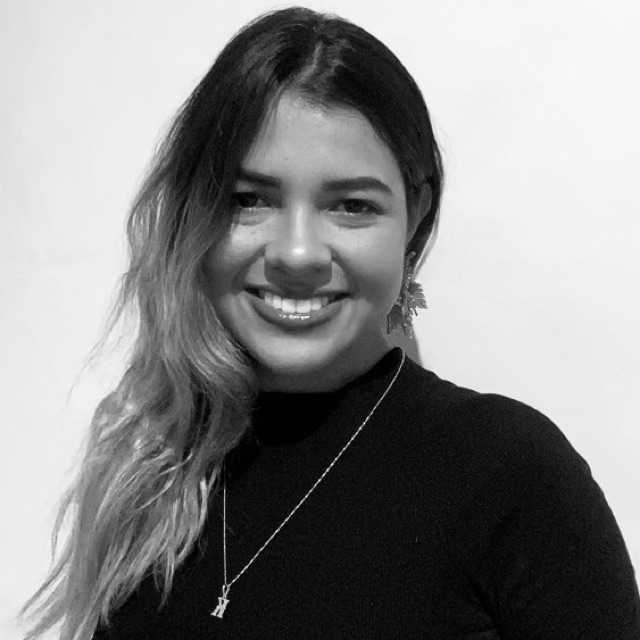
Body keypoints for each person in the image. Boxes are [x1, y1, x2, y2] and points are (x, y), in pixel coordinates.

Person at [22, 7, 640, 640]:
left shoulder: (511, 478)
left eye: (351, 205)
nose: (297, 255)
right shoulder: (151, 468)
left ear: (414, 217)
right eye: (249, 199)